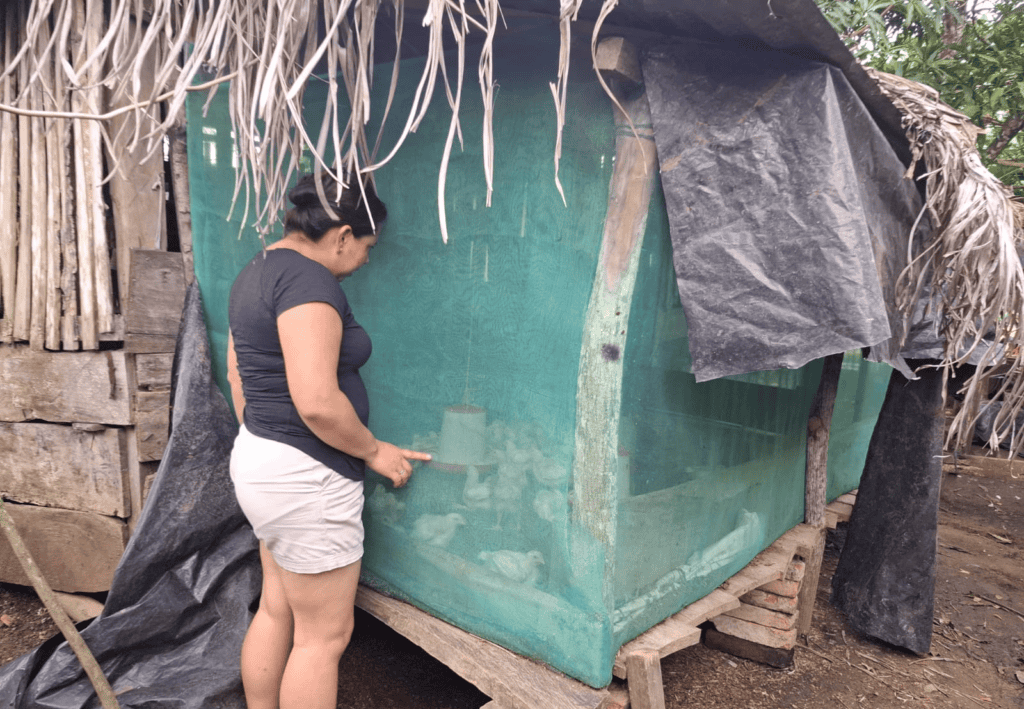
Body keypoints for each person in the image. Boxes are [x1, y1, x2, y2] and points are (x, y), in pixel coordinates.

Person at [226, 171, 431, 709]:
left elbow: (238, 378)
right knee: (323, 639)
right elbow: (316, 400)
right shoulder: (309, 283)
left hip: (260, 459)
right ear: (341, 236)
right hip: (305, 478)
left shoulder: (257, 270)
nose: (366, 259)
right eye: (367, 247)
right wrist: (373, 450)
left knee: (276, 607)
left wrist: (271, 441)